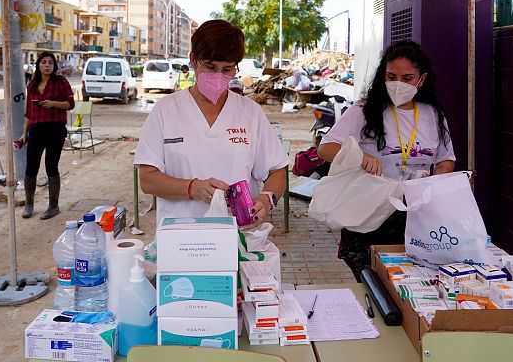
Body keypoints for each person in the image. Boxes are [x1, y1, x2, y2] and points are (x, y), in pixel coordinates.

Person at [317, 40, 456, 280]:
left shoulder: (433, 115)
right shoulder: (364, 110)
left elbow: (446, 160)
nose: (398, 84)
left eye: (407, 78)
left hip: (415, 215)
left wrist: (435, 181)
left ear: (421, 80)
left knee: (409, 282)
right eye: (391, 76)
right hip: (369, 215)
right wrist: (359, 157)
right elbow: (325, 148)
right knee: (373, 287)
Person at [134, 20, 288, 227]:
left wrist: (267, 199)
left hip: (238, 235)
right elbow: (147, 179)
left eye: (227, 69)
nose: (218, 76)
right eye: (210, 67)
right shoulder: (166, 110)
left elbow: (277, 171)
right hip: (181, 237)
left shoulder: (249, 112)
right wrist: (192, 188)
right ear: (193, 60)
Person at [18, 51, 75, 220]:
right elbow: (28, 113)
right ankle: (29, 204)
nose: (47, 65)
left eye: (50, 62)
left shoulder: (61, 82)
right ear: (39, 65)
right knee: (31, 167)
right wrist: (24, 133)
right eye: (44, 62)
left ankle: (53, 206)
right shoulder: (32, 86)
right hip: (36, 129)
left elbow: (70, 104)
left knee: (51, 166)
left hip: (55, 129)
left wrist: (53, 104)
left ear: (54, 66)